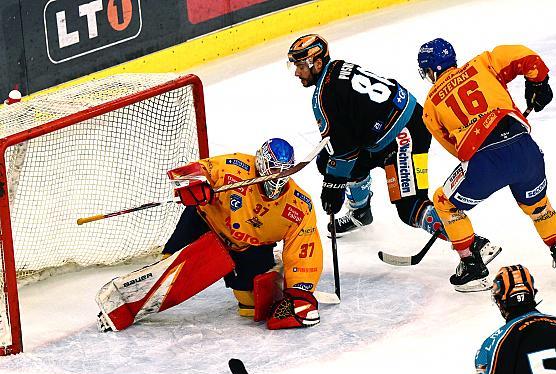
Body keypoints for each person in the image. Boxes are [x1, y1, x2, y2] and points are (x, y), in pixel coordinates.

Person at [287, 34, 500, 267]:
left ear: (317, 64)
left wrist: (333, 186)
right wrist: (334, 178)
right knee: (327, 161)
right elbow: (342, 145)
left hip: (404, 137)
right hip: (394, 129)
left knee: (410, 207)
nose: (297, 73)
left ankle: (472, 245)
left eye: (299, 66)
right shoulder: (337, 68)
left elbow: (345, 149)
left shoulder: (323, 97)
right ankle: (360, 212)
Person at [95, 138, 322, 331]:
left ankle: (273, 267)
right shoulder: (234, 167)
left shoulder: (298, 206)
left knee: (250, 308)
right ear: (260, 161)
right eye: (272, 167)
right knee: (168, 268)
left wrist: (300, 293)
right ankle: (122, 306)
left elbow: (305, 251)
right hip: (205, 223)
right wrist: (194, 185)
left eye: (283, 169)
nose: (277, 175)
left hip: (249, 248)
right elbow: (195, 170)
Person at [416, 38, 556, 292]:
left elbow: (456, 149)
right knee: (537, 205)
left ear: (429, 71)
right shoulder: (483, 63)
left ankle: (471, 264)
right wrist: (539, 82)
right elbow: (527, 57)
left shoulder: (431, 105)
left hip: (484, 162)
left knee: (444, 202)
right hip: (525, 148)